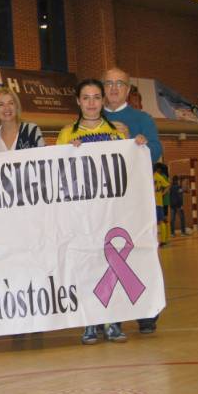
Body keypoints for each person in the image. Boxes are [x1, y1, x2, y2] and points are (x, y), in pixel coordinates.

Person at [56, 78, 148, 346]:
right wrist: (67, 153)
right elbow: (58, 172)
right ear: (78, 101)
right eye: (86, 98)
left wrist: (137, 144)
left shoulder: (117, 130)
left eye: (97, 97)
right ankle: (90, 321)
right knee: (86, 266)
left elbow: (129, 165)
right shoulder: (66, 133)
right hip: (82, 213)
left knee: (112, 265)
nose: (91, 103)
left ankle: (113, 321)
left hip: (111, 211)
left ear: (103, 101)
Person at [103, 67, 164, 336]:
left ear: (128, 89)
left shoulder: (142, 119)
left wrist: (133, 141)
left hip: (136, 203)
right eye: (109, 83)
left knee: (140, 253)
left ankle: (147, 312)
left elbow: (156, 151)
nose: (114, 88)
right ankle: (110, 314)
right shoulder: (92, 117)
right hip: (106, 204)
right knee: (105, 256)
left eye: (120, 83)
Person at [0, 87, 44, 153]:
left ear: (16, 106)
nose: (7, 108)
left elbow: (43, 156)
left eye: (11, 103)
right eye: (1, 105)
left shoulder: (32, 131)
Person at [154, 162, 171, 246]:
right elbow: (168, 185)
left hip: (158, 202)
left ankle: (164, 240)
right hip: (161, 202)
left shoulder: (155, 176)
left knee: (161, 221)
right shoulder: (162, 176)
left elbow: (167, 186)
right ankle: (166, 239)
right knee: (163, 220)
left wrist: (163, 194)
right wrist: (163, 193)